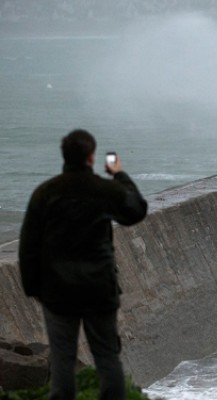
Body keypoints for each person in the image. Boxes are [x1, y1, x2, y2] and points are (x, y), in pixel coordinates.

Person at [18, 129, 148, 400]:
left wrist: (34, 290)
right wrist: (119, 174)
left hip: (57, 292)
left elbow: (28, 246)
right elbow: (137, 210)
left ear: (64, 156)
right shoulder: (104, 190)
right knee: (107, 358)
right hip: (99, 289)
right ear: (91, 157)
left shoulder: (45, 193)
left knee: (62, 360)